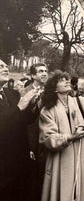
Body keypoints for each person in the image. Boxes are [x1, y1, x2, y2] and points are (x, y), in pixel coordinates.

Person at [39, 70, 84, 201]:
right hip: (60, 158)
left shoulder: (81, 101)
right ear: (54, 88)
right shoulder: (47, 110)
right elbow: (47, 138)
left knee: (82, 188)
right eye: (61, 80)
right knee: (61, 190)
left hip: (81, 154)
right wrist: (70, 137)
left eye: (67, 79)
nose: (67, 81)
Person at [0, 58, 39, 201]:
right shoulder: (18, 99)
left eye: (5, 65)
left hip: (19, 161)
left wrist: (33, 105)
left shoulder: (12, 94)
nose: (6, 68)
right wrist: (20, 106)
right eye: (0, 66)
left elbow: (25, 121)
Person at [20, 62, 49, 200]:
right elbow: (21, 122)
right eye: (40, 71)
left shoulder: (50, 93)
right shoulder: (23, 93)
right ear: (33, 75)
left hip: (46, 139)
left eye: (46, 71)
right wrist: (28, 146)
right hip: (30, 140)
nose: (44, 73)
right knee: (31, 177)